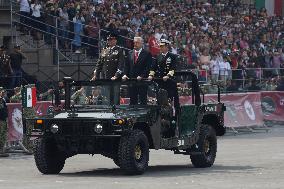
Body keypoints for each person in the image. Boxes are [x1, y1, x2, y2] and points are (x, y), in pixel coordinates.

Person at [148, 39, 179, 112]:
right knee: (160, 97)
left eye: (162, 46)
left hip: (169, 81)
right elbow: (153, 68)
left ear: (167, 47)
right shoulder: (157, 56)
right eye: (160, 46)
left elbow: (173, 68)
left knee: (170, 97)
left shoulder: (172, 56)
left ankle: (173, 111)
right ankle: (161, 112)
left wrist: (168, 75)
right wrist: (151, 75)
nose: (160, 48)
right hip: (160, 80)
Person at [122, 37, 152, 105]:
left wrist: (142, 76)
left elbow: (148, 67)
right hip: (131, 81)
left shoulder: (147, 54)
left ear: (142, 44)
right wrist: (125, 74)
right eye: (134, 42)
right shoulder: (129, 53)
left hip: (142, 81)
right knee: (132, 101)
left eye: (137, 42)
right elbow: (126, 66)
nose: (135, 44)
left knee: (143, 100)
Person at [0, 87, 9, 157]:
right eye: (2, 92)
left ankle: (1, 150)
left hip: (3, 120)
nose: (4, 94)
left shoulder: (3, 100)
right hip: (1, 120)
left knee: (3, 135)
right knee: (1, 135)